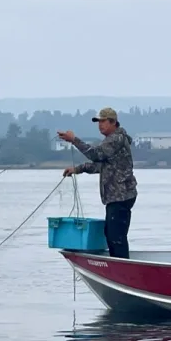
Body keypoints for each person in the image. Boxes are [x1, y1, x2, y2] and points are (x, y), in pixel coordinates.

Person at [58, 107, 138, 259]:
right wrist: (77, 169)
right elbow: (101, 165)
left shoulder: (116, 139)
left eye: (103, 121)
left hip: (121, 195)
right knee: (111, 233)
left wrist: (74, 140)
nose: (100, 125)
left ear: (113, 122)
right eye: (98, 122)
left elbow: (95, 155)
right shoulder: (111, 141)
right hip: (117, 196)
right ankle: (119, 264)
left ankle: (121, 267)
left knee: (116, 236)